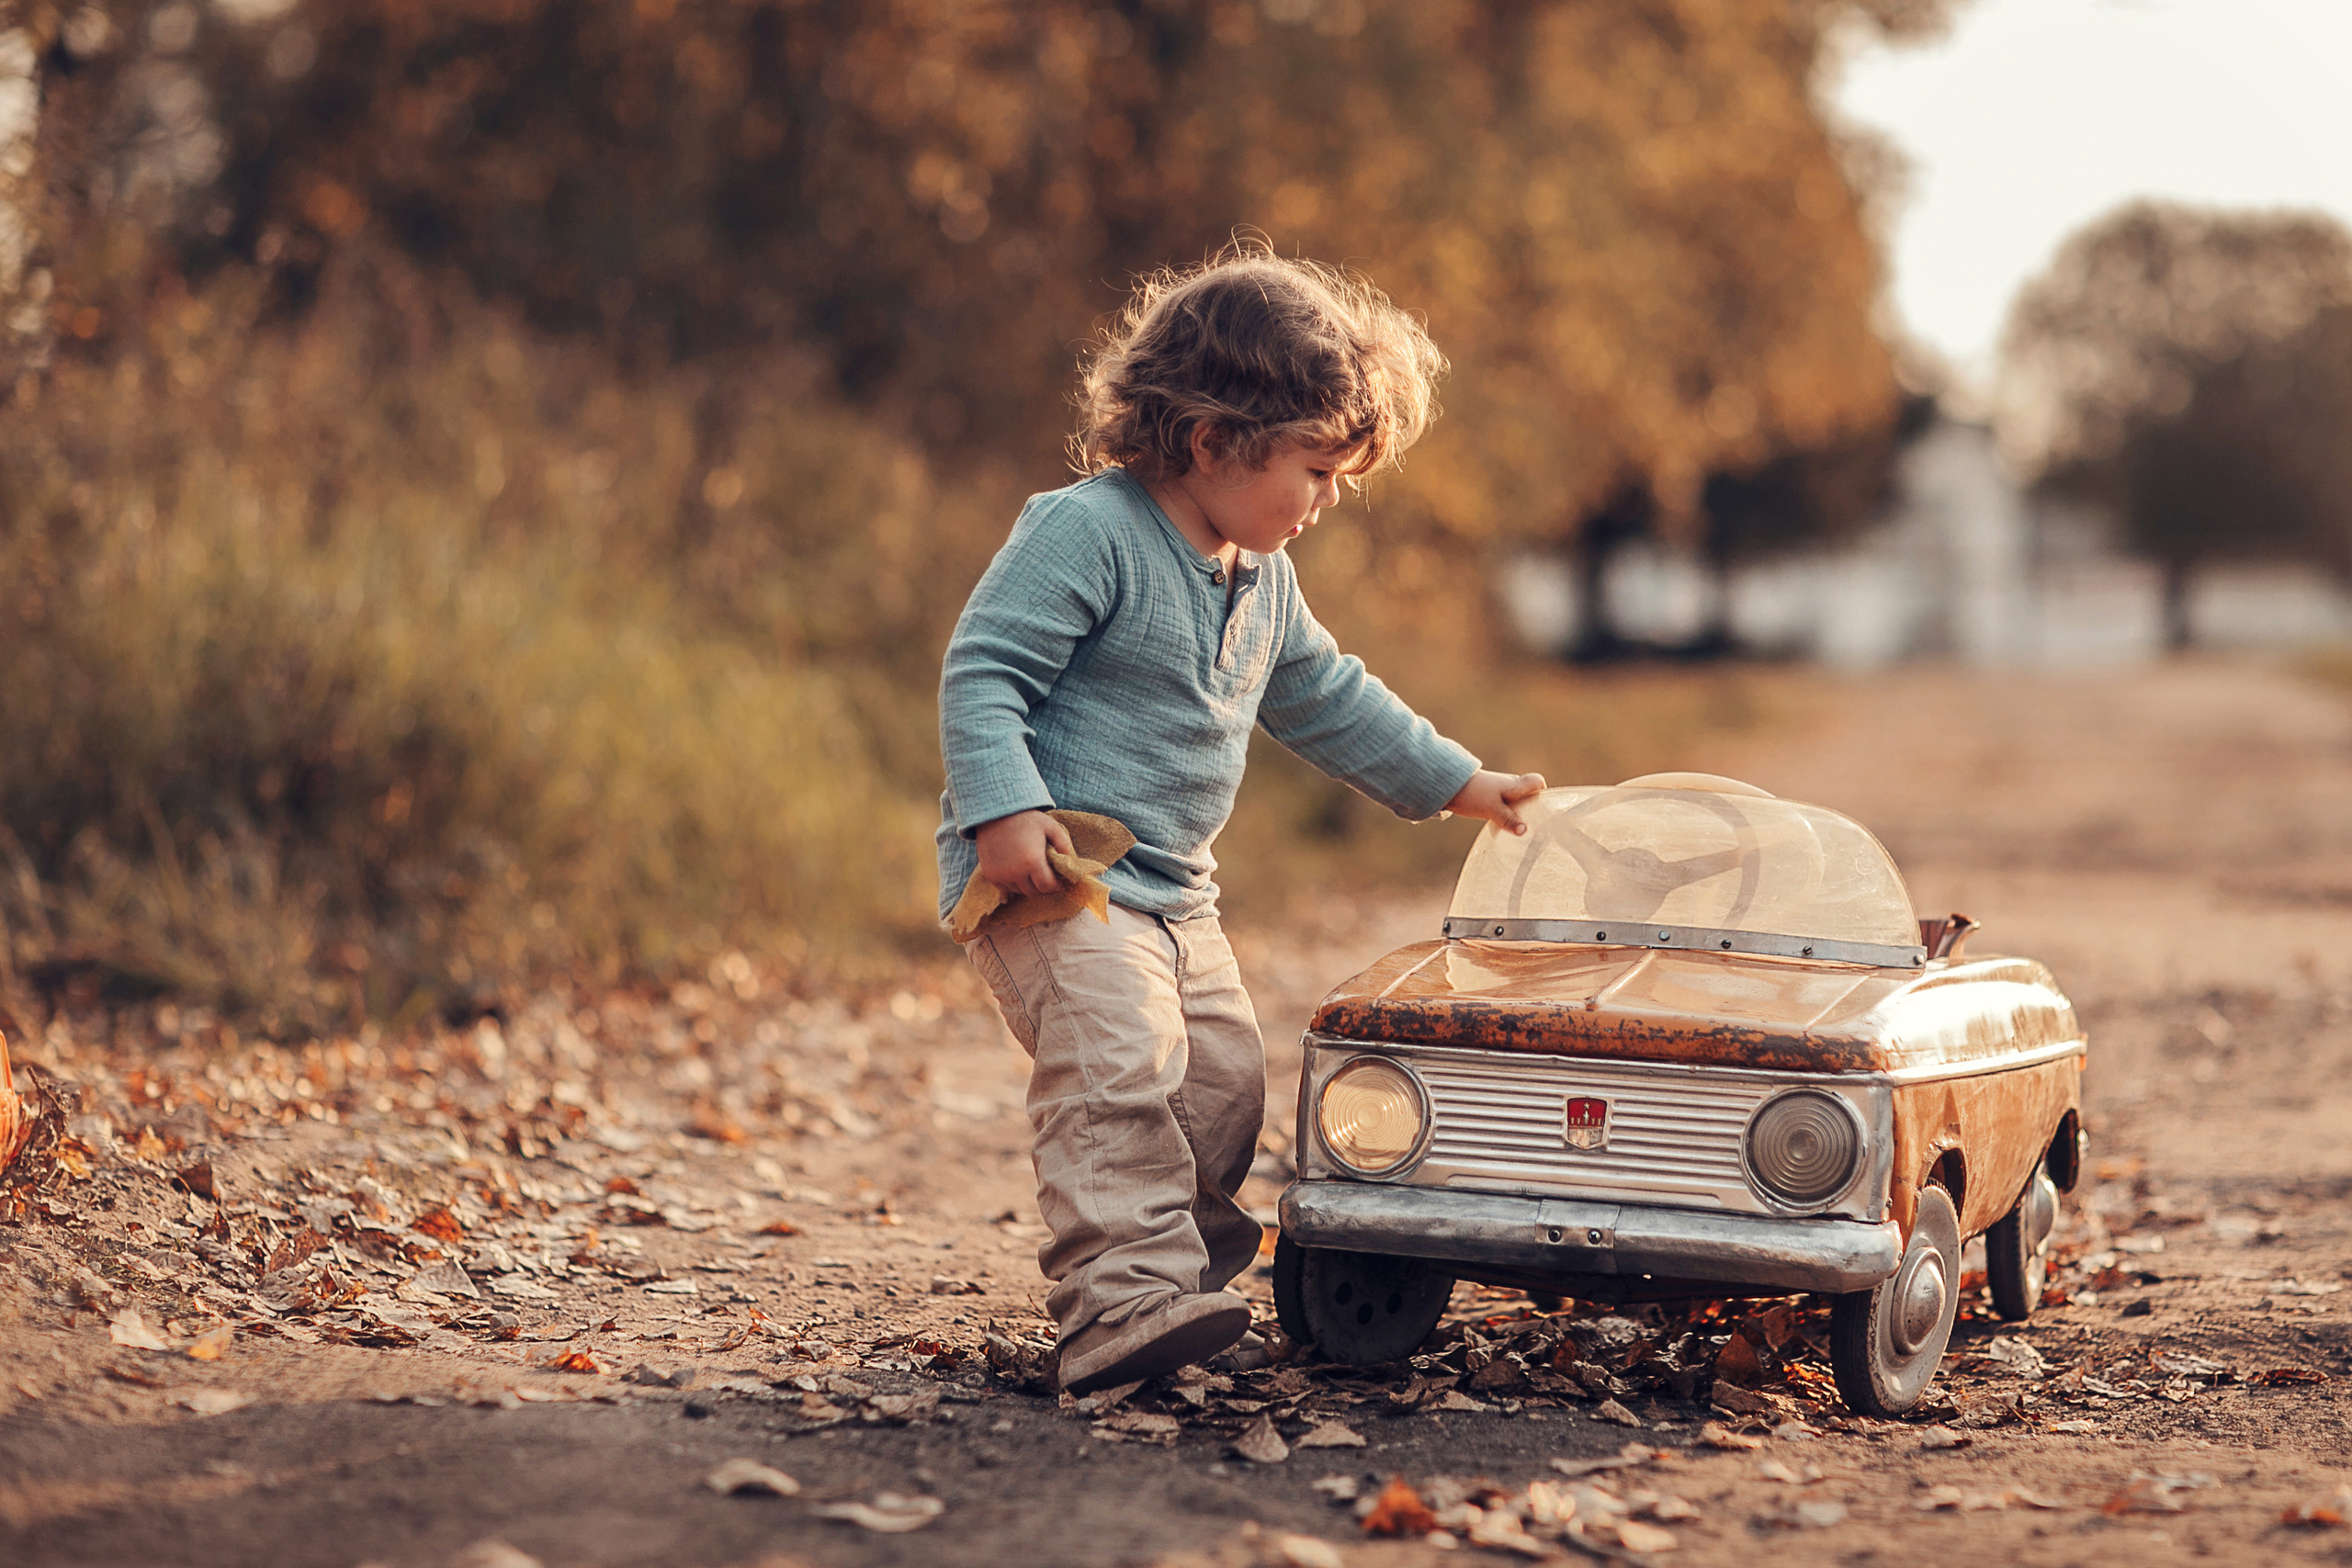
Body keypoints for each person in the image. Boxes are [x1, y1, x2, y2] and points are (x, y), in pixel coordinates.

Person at [936, 243, 1544, 1393]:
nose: (1323, 504)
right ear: (1213, 440)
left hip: (1179, 896)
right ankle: (1119, 1301)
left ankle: (1184, 1293)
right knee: (1123, 1066)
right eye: (1314, 472)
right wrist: (1002, 811)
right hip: (1057, 880)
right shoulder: (1088, 531)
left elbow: (1326, 697)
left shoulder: (1260, 581)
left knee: (1220, 1083)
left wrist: (1457, 781)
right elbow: (983, 674)